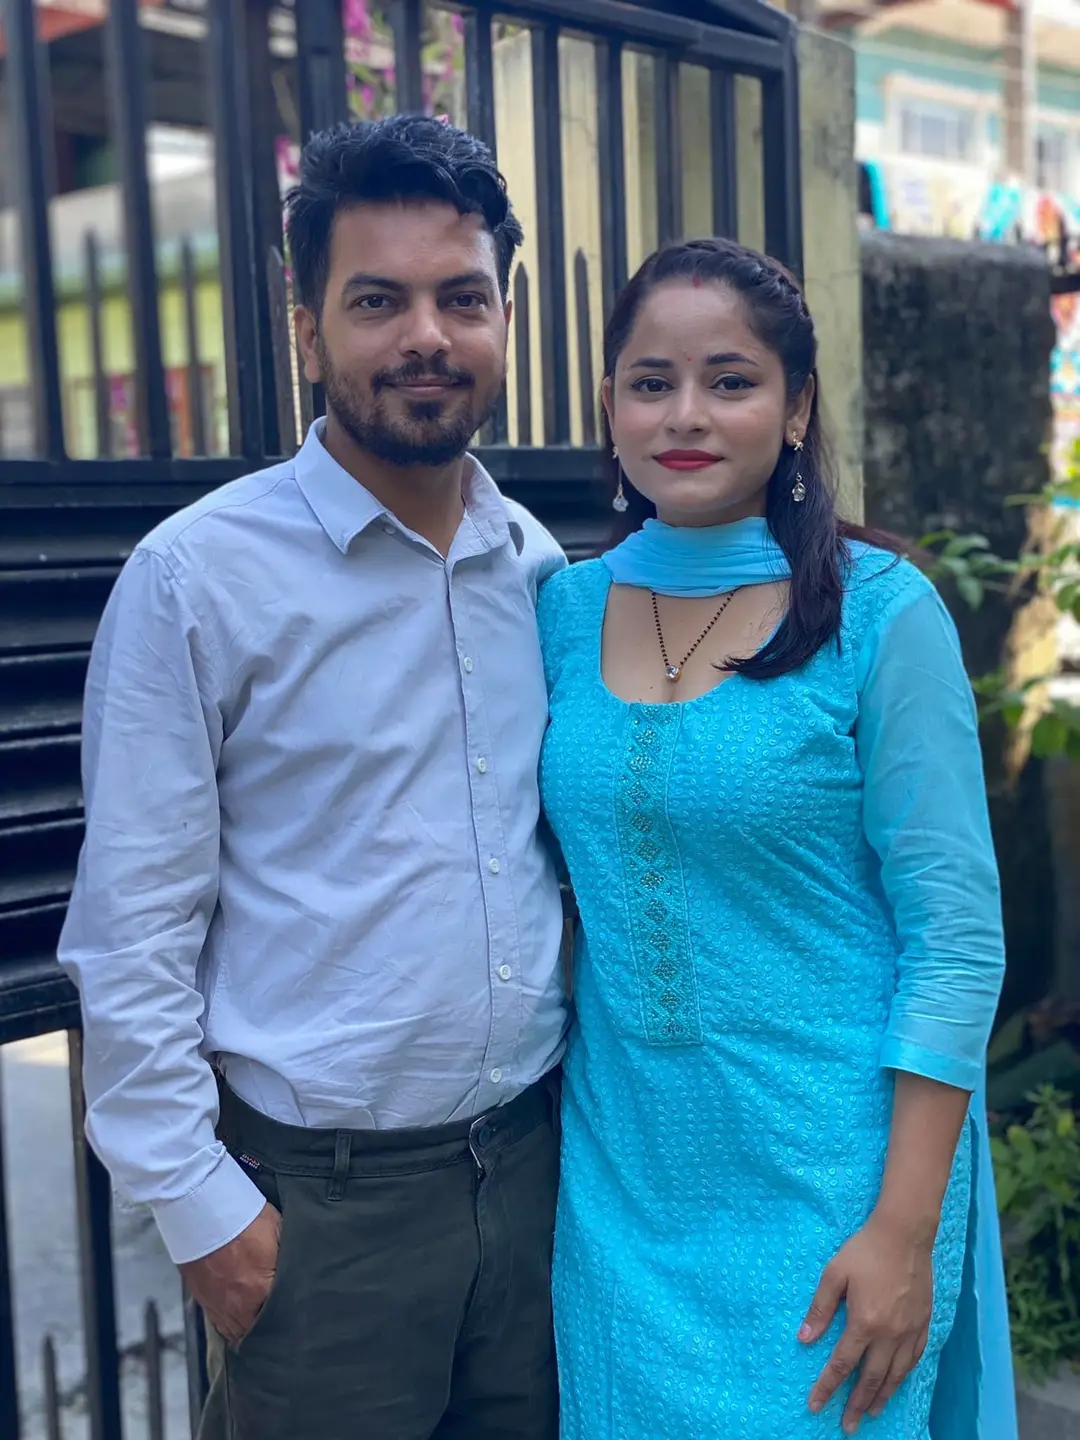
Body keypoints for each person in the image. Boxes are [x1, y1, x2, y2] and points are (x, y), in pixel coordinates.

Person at [58, 115, 567, 1440]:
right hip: (323, 1219)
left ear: (507, 318)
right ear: (306, 330)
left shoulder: (538, 569)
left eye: (463, 299)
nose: (427, 338)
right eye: (377, 301)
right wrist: (204, 1212)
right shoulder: (196, 579)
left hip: (538, 1177)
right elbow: (133, 927)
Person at [537, 237, 1016, 1439]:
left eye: (731, 381)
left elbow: (956, 938)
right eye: (651, 382)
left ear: (797, 407)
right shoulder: (561, 611)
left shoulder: (878, 614)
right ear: (609, 403)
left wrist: (904, 1228)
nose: (685, 415)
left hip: (837, 1188)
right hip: (624, 1198)